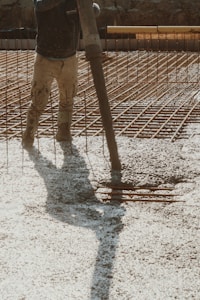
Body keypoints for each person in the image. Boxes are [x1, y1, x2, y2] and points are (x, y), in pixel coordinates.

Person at [22, 0, 100, 148]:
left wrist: (86, 5)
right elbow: (41, 5)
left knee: (68, 97)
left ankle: (64, 131)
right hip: (45, 58)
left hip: (69, 58)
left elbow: (95, 10)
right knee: (39, 99)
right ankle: (29, 134)